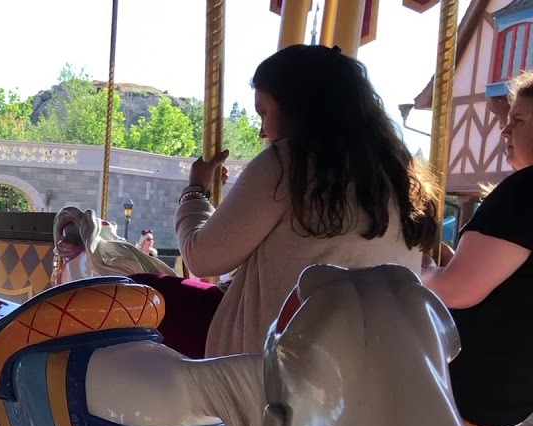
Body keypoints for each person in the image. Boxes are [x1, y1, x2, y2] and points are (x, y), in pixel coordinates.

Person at [175, 44, 438, 357]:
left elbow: (202, 257)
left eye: (264, 113)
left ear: (294, 108)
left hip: (275, 366)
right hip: (367, 363)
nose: (262, 131)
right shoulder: (400, 175)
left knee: (140, 296)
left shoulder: (288, 164)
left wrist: (196, 190)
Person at [422, 69, 533, 426]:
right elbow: (495, 284)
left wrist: (413, 268)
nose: (505, 131)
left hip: (484, 401)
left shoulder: (523, 191)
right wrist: (436, 252)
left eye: (517, 121)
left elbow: (457, 291)